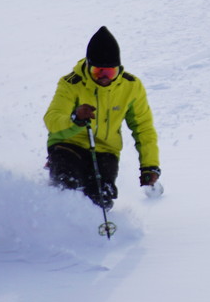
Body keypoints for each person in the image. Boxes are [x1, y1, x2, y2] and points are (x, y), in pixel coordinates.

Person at [44, 26, 160, 209]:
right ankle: (57, 220)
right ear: (89, 66)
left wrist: (149, 166)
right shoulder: (71, 83)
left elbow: (143, 128)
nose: (104, 78)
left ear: (119, 69)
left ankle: (93, 230)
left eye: (110, 72)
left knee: (101, 197)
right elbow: (52, 119)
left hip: (105, 151)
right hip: (68, 144)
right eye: (98, 72)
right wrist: (75, 119)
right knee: (68, 186)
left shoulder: (131, 87)